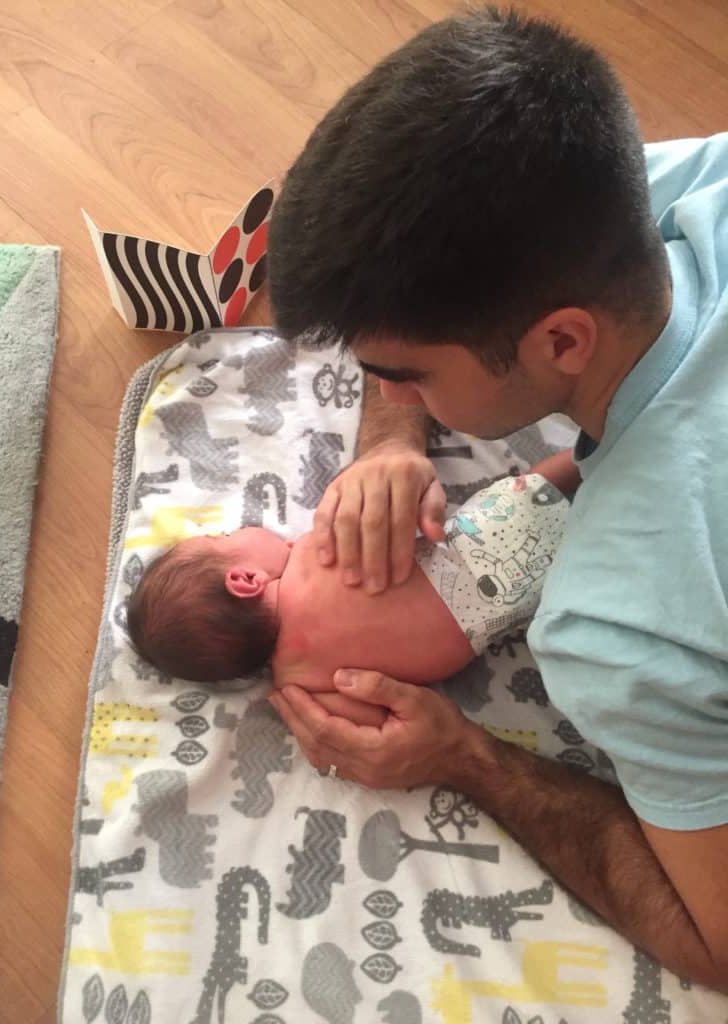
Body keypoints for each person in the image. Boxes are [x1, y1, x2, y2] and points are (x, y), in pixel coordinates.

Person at [265, 6, 728, 991]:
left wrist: (472, 760)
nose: (388, 396)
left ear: (561, 341)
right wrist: (393, 443)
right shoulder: (680, 183)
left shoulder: (619, 625)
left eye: (404, 375)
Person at [127, 458, 571, 728]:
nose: (237, 529)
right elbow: (383, 517)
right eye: (224, 537)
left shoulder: (299, 684)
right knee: (543, 484)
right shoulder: (310, 555)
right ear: (245, 580)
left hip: (510, 620)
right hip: (484, 547)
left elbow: (377, 716)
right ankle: (599, 448)